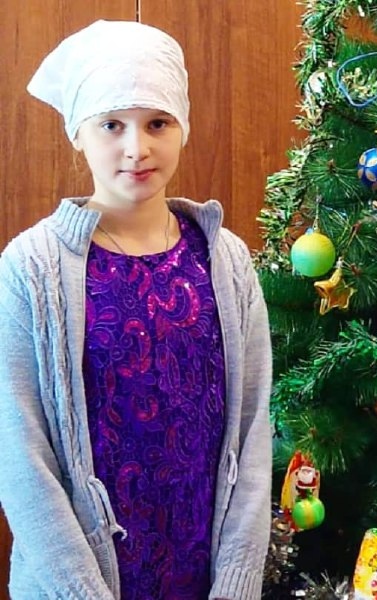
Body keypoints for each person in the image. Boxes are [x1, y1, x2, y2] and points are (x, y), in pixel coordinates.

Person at [0, 20, 272, 599]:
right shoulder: (30, 267)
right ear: (78, 133)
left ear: (182, 127)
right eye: (111, 125)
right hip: (75, 584)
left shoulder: (225, 260)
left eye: (157, 123)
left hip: (204, 580)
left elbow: (252, 433)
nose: (136, 148)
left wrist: (237, 582)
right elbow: (18, 454)